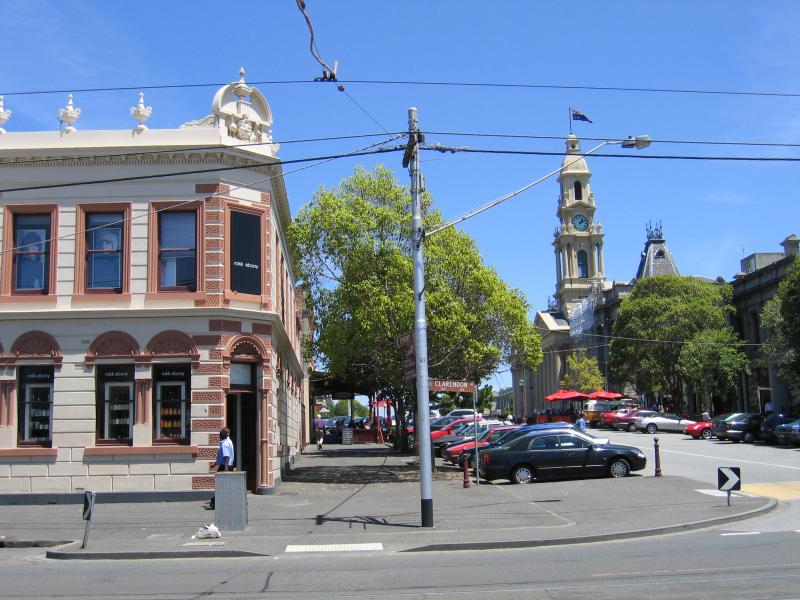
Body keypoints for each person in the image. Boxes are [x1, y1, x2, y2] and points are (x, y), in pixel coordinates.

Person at [209, 427, 234, 510]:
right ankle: (222, 501)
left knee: (220, 485)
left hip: (224, 467)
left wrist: (225, 468)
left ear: (221, 435)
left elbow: (226, 456)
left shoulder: (224, 444)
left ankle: (217, 502)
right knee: (225, 485)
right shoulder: (228, 441)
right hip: (226, 466)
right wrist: (215, 464)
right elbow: (222, 457)